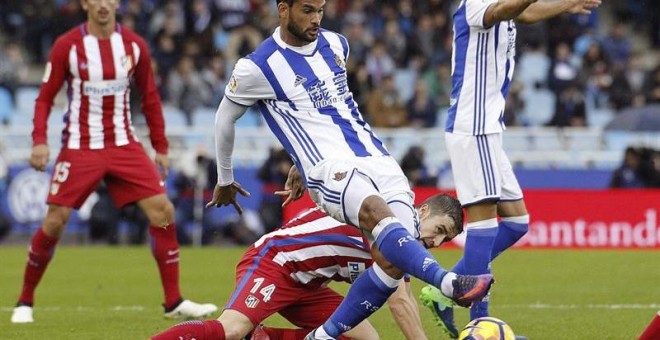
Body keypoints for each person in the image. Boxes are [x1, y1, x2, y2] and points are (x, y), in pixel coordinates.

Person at [205, 1, 494, 339]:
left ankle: (321, 337)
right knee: (376, 213)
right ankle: (448, 282)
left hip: (375, 157)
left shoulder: (337, 44)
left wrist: (299, 161)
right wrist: (225, 177)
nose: (316, 19)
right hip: (331, 170)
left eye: (321, 10)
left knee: (395, 261)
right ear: (283, 9)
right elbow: (225, 118)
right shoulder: (257, 67)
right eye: (308, 10)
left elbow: (326, 111)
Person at [10, 0, 217, 324]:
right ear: (85, 4)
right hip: (81, 146)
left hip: (123, 144)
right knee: (55, 221)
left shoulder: (134, 46)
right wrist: (38, 140)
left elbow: (150, 97)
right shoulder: (68, 46)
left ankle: (173, 300)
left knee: (163, 211)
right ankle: (25, 300)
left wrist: (160, 147)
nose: (103, 4)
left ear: (118, 3)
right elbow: (45, 97)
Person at [419, 0, 602, 338]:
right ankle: (480, 328)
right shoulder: (475, 3)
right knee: (484, 227)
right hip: (474, 128)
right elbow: (504, 11)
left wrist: (564, 5)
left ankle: (446, 291)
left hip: (488, 129)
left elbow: (524, 12)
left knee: (517, 223)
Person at [151, 193, 465, 340]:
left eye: (445, 239)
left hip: (310, 286)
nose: (437, 242)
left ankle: (263, 338)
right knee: (231, 330)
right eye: (439, 229)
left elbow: (405, 298)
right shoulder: (395, 224)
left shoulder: (402, 237)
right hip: (274, 263)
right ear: (423, 211)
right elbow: (398, 304)